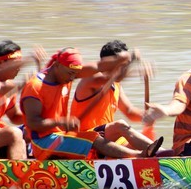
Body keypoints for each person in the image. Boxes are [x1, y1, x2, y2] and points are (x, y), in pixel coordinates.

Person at [20, 47, 163, 160]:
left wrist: (129, 58)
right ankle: (140, 156)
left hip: (63, 136)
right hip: (43, 143)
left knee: (116, 134)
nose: (72, 78)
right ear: (57, 65)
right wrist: (61, 121)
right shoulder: (35, 86)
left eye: (74, 74)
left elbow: (98, 66)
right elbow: (33, 123)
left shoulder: (66, 74)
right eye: (70, 73)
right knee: (94, 138)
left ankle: (162, 155)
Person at [70, 40, 164, 153]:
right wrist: (132, 60)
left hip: (105, 140)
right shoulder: (91, 79)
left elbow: (129, 111)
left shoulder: (116, 85)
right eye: (122, 64)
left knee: (140, 138)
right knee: (120, 126)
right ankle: (163, 153)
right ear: (108, 63)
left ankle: (159, 156)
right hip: (84, 139)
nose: (124, 68)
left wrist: (147, 116)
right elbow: (114, 76)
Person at [0, 40, 28, 159]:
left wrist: (34, 119)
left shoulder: (9, 85)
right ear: (0, 62)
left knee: (23, 135)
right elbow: (1, 88)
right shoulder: (6, 87)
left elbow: (14, 116)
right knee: (14, 133)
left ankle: (20, 175)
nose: (19, 68)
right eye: (16, 64)